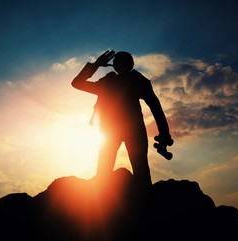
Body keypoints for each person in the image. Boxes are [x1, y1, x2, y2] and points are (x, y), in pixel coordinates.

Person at [71, 50, 172, 186]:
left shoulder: (110, 82)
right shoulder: (137, 81)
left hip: (113, 130)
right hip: (125, 130)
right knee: (137, 172)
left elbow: (77, 83)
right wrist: (164, 132)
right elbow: (156, 108)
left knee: (107, 172)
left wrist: (96, 65)